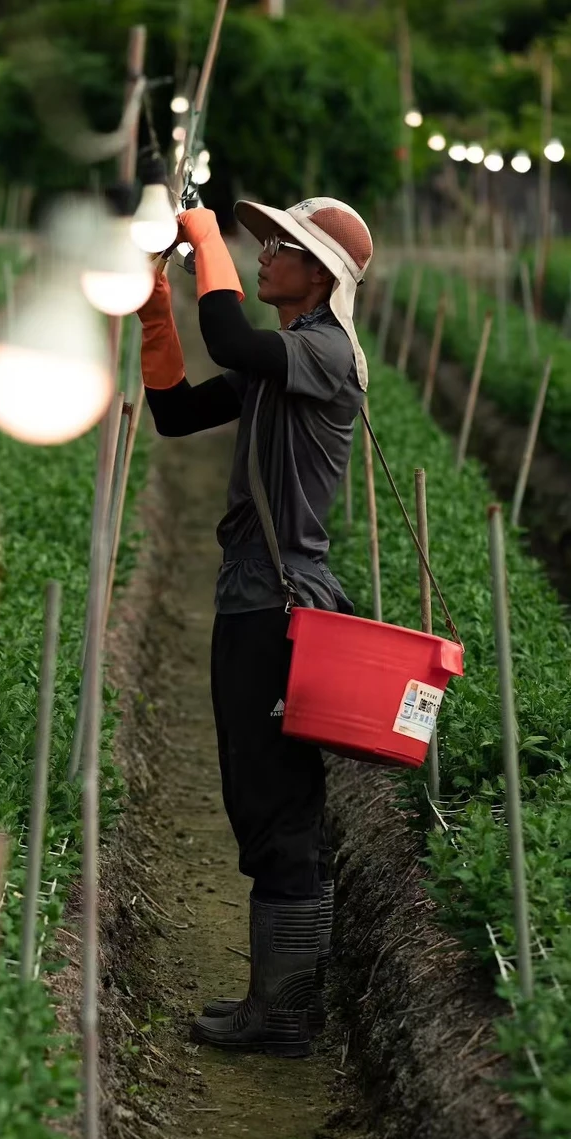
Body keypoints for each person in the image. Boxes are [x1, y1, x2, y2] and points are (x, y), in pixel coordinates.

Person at [137, 196, 373, 1058]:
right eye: (263, 243)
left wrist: (202, 240)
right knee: (254, 792)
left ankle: (286, 1014)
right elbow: (178, 413)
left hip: (282, 606)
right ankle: (271, 1000)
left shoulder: (321, 352)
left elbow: (233, 340)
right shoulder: (285, 358)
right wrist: (160, 311)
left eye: (283, 247)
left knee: (278, 805)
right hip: (252, 598)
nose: (265, 253)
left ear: (321, 277)